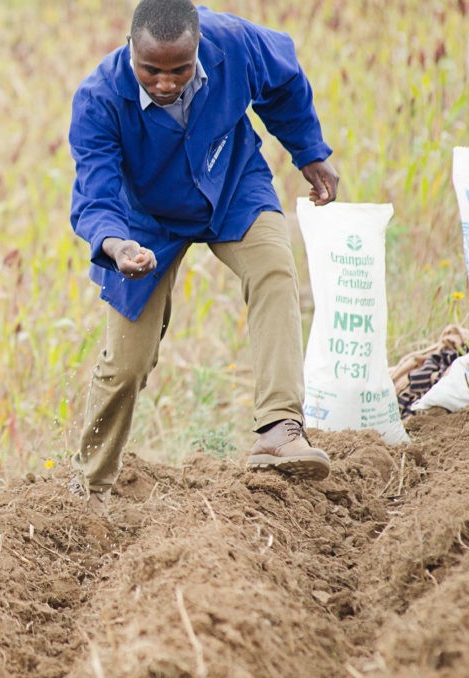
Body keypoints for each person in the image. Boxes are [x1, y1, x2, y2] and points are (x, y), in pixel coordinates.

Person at [68, 0, 340, 517]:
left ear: (199, 50)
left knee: (275, 270)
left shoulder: (231, 41)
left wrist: (309, 151)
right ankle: (89, 490)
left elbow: (284, 81)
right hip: (143, 222)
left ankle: (280, 428)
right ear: (130, 50)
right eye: (151, 70)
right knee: (126, 363)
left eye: (180, 69)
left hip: (233, 181)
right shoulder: (99, 99)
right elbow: (96, 194)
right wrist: (116, 245)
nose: (166, 82)